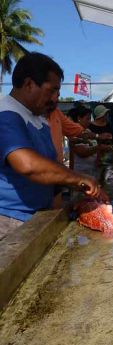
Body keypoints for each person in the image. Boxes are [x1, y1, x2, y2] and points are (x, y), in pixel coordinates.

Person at [0, 52, 107, 239]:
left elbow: (51, 165)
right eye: (51, 91)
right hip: (10, 220)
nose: (55, 99)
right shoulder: (6, 114)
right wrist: (78, 179)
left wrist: (75, 195)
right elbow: (29, 165)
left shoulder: (39, 120)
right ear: (28, 84)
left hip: (37, 216)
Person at [68, 106, 112, 175]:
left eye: (90, 119)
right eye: (87, 119)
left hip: (92, 171)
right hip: (80, 173)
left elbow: (94, 146)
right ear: (79, 118)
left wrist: (99, 157)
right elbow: (82, 153)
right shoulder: (75, 133)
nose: (89, 122)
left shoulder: (88, 131)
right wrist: (99, 147)